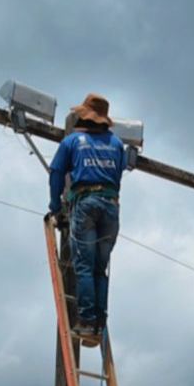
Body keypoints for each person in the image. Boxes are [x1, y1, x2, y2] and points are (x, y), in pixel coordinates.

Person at [47, 94, 127, 347]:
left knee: (83, 267)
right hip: (111, 207)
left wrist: (55, 205)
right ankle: (99, 324)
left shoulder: (72, 141)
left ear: (85, 116)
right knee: (98, 269)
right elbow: (119, 172)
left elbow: (57, 172)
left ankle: (87, 321)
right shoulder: (116, 144)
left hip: (86, 204)